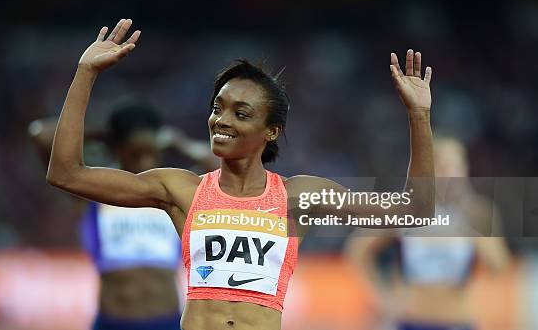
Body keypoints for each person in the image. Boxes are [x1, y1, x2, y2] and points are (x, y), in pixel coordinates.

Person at [46, 17, 435, 330]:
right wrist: (85, 73)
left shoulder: (297, 197)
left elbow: (414, 210)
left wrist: (419, 116)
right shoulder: (179, 189)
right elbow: (66, 173)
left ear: (271, 131)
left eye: (241, 113)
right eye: (218, 107)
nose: (221, 120)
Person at [29, 101, 217, 330]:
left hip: (167, 321)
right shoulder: (97, 189)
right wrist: (107, 134)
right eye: (136, 153)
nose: (145, 162)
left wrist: (179, 142)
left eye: (151, 152)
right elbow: (41, 135)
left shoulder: (174, 192)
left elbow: (219, 169)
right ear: (118, 149)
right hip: (114, 322)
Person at [346, 136, 510, 330]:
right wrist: (382, 297)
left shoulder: (478, 212)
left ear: (464, 170)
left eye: (454, 167)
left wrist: (474, 229)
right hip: (411, 320)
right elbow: (357, 250)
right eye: (441, 167)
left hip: (458, 321)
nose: (449, 175)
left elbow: (499, 265)